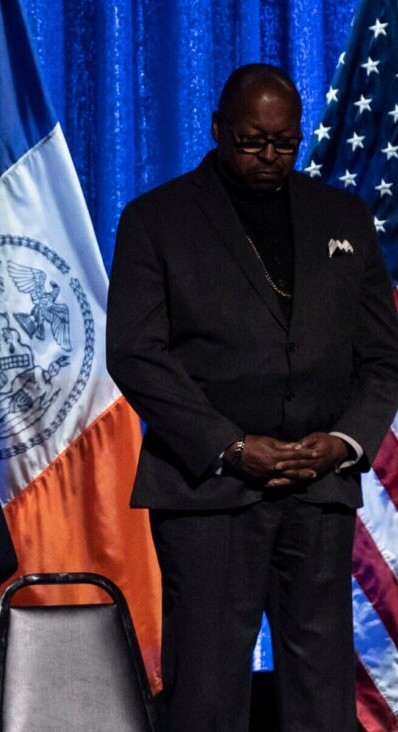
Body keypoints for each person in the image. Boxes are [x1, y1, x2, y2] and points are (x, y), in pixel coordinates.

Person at [106, 64, 398, 730]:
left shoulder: (342, 216)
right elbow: (135, 354)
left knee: (322, 693)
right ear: (218, 129)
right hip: (208, 492)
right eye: (252, 141)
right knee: (206, 691)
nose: (269, 155)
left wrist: (341, 443)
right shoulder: (156, 219)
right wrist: (232, 447)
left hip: (317, 489)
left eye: (284, 142)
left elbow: (382, 358)